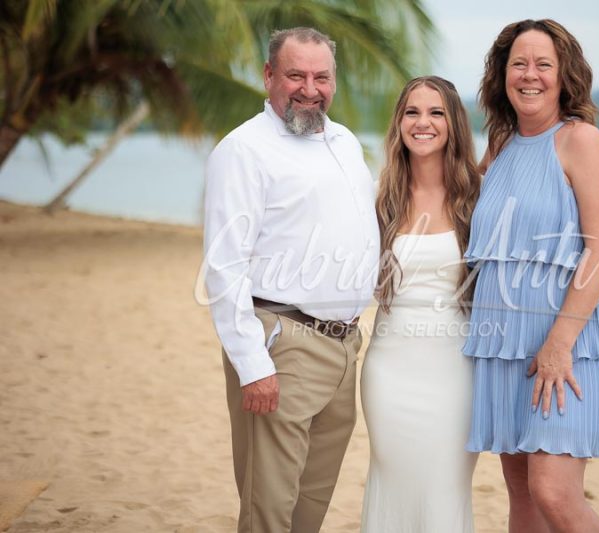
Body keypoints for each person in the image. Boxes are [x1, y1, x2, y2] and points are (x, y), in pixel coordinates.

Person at [202, 27, 379, 533]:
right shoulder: (243, 151)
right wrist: (252, 365)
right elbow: (224, 265)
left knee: (311, 502)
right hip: (283, 343)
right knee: (269, 506)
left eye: (321, 77)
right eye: (295, 75)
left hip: (345, 345)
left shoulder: (342, 141)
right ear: (268, 75)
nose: (309, 88)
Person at [462, 19, 599, 533]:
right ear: (502, 75)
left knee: (554, 492)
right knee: (523, 500)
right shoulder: (499, 145)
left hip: (569, 340)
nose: (529, 75)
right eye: (519, 63)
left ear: (564, 76)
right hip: (504, 343)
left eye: (543, 64)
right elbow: (483, 235)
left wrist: (560, 342)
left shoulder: (581, 140)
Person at [359, 76, 481, 532]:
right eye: (412, 112)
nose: (423, 122)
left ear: (454, 123)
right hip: (389, 371)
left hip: (456, 371)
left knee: (444, 491)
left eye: (436, 113)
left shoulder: (479, 195)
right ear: (399, 123)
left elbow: (534, 248)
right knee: (392, 485)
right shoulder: (377, 195)